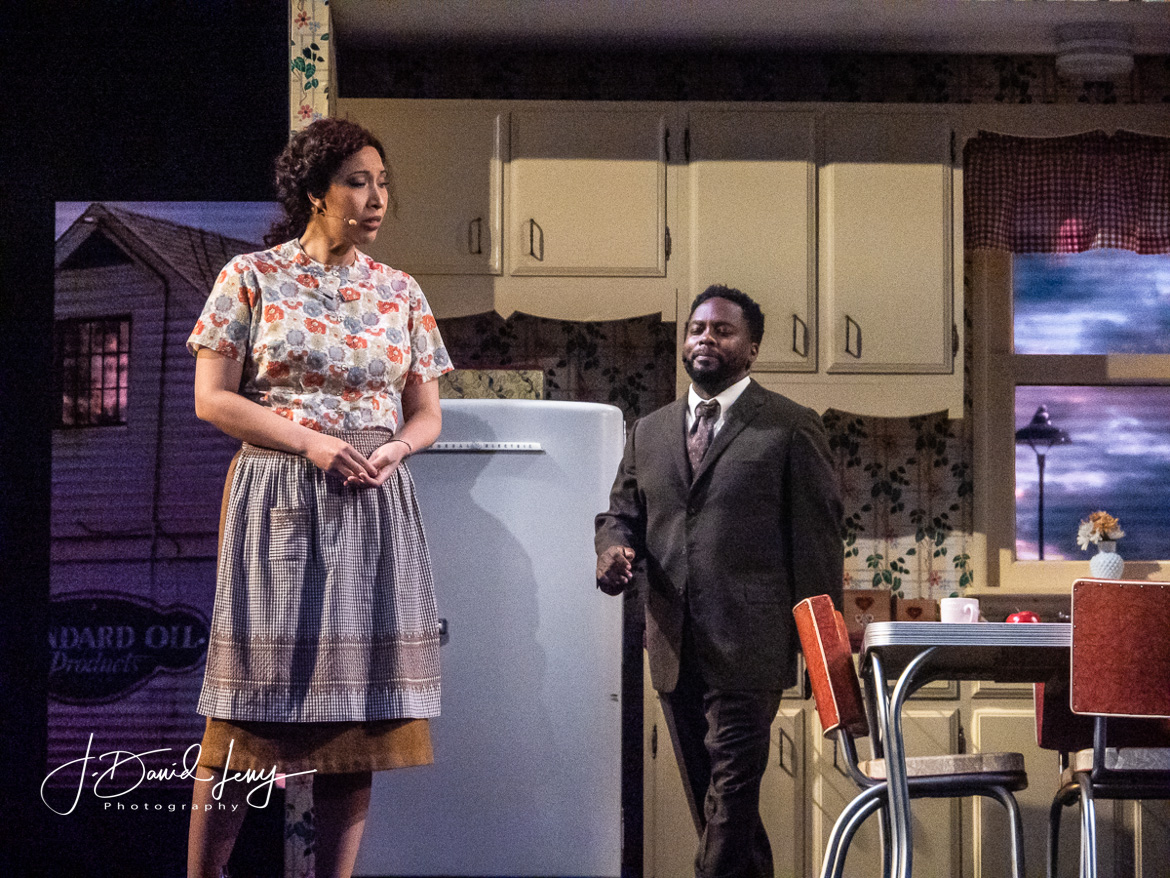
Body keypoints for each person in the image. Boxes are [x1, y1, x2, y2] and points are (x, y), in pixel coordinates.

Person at [184, 118, 452, 878]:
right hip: (281, 495)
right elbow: (211, 398)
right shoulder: (252, 276)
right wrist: (309, 443)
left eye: (382, 183)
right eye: (357, 182)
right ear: (315, 191)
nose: (376, 199)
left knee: (355, 718)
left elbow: (427, 413)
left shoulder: (399, 290)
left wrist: (397, 448)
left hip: (372, 502)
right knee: (249, 709)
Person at [595, 285, 844, 878]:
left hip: (751, 645)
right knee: (715, 807)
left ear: (752, 348)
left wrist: (820, 649)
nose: (706, 338)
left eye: (723, 330)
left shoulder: (790, 426)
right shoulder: (650, 431)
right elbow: (622, 515)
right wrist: (611, 549)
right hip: (672, 643)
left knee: (730, 799)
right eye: (697, 328)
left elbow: (818, 543)